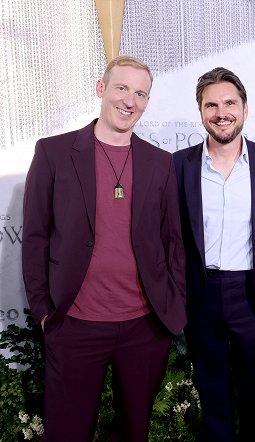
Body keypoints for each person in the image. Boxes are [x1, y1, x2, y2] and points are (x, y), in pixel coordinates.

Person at [21, 55, 186, 441]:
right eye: (122, 88)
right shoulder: (54, 153)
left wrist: (172, 309)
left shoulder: (160, 163)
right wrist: (44, 312)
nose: (130, 101)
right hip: (75, 324)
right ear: (102, 89)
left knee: (135, 433)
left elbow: (173, 241)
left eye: (140, 93)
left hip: (144, 327)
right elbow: (35, 238)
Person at [173, 67, 255, 441]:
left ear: (245, 108)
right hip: (202, 294)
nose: (222, 113)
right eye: (211, 105)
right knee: (213, 394)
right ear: (201, 111)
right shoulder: (179, 166)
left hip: (254, 294)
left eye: (230, 103)